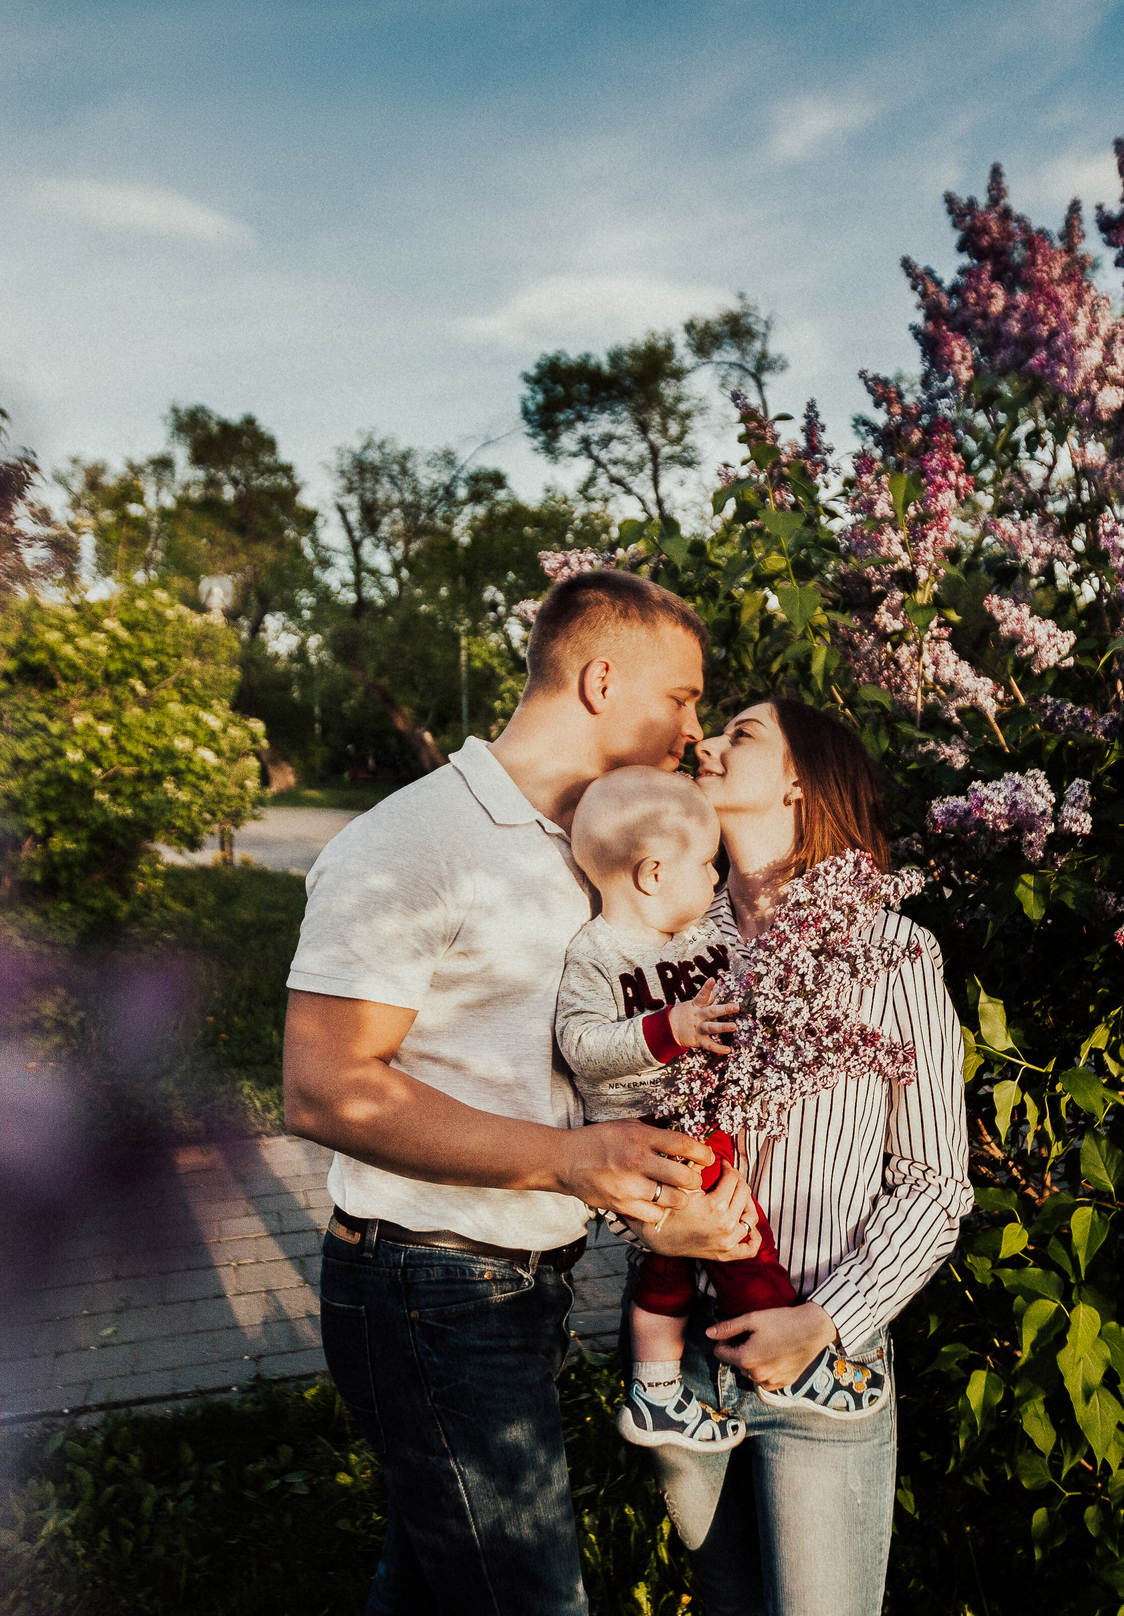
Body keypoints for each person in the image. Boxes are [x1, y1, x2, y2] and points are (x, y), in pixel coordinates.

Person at [280, 571, 762, 1616]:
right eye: (681, 698)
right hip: (427, 1284)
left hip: (522, 1277)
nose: (692, 729)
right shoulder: (408, 843)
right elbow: (322, 1088)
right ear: (601, 680)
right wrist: (569, 1162)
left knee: (433, 1580)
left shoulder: (590, 848)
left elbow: (562, 1064)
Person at [647, 696, 973, 1616]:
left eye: (741, 735)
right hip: (685, 1361)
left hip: (825, 1362)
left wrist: (826, 1319)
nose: (706, 743)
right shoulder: (671, 948)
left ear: (800, 781)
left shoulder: (894, 954)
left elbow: (935, 1185)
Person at [555, 767, 892, 1455]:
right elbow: (580, 1044)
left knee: (668, 1267)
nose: (716, 878)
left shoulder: (708, 943)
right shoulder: (597, 953)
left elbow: (754, 1000)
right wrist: (668, 1028)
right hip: (648, 1139)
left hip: (707, 1126)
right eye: (706, 863)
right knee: (739, 1241)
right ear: (651, 873)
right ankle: (791, 1361)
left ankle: (654, 1392)